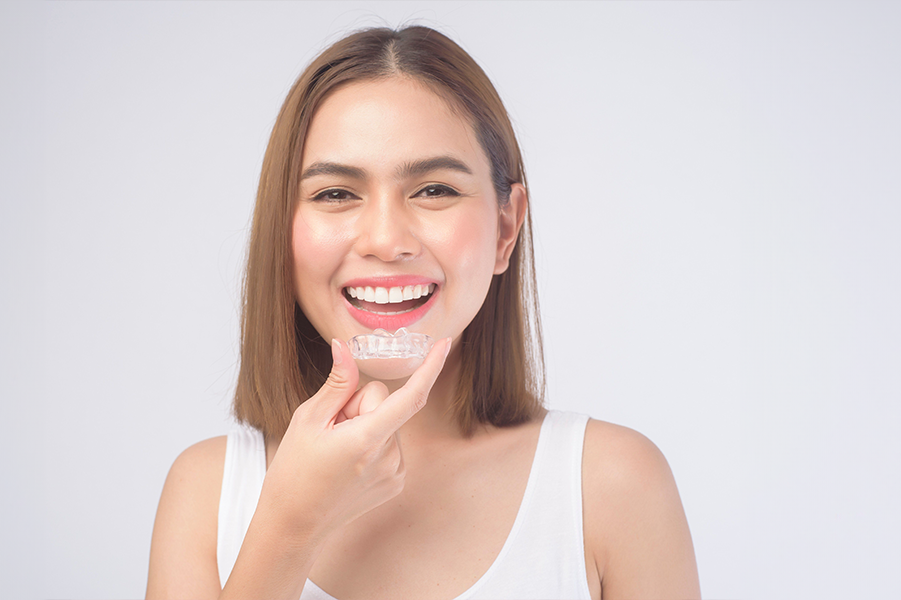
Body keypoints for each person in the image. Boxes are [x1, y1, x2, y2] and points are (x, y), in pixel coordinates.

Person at [146, 25, 701, 600]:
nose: (387, 241)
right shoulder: (206, 493)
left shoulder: (613, 486)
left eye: (434, 190)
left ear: (506, 228)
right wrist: (290, 528)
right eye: (336, 193)